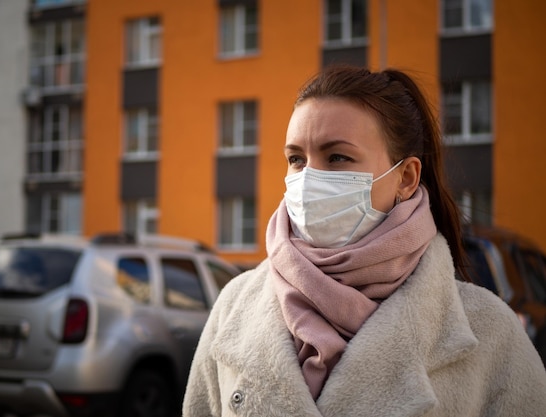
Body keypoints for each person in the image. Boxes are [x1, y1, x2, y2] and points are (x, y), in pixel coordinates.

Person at [183, 64, 546, 416]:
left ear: (405, 177)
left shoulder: (491, 330)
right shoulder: (235, 305)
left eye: (337, 156)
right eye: (296, 158)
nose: (309, 179)